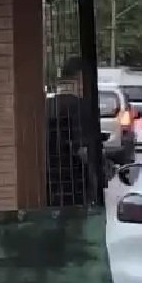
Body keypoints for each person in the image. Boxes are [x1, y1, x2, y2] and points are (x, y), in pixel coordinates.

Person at [46, 56, 91, 207]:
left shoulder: (47, 105)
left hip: (48, 180)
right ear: (80, 78)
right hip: (75, 183)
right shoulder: (82, 107)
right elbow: (82, 149)